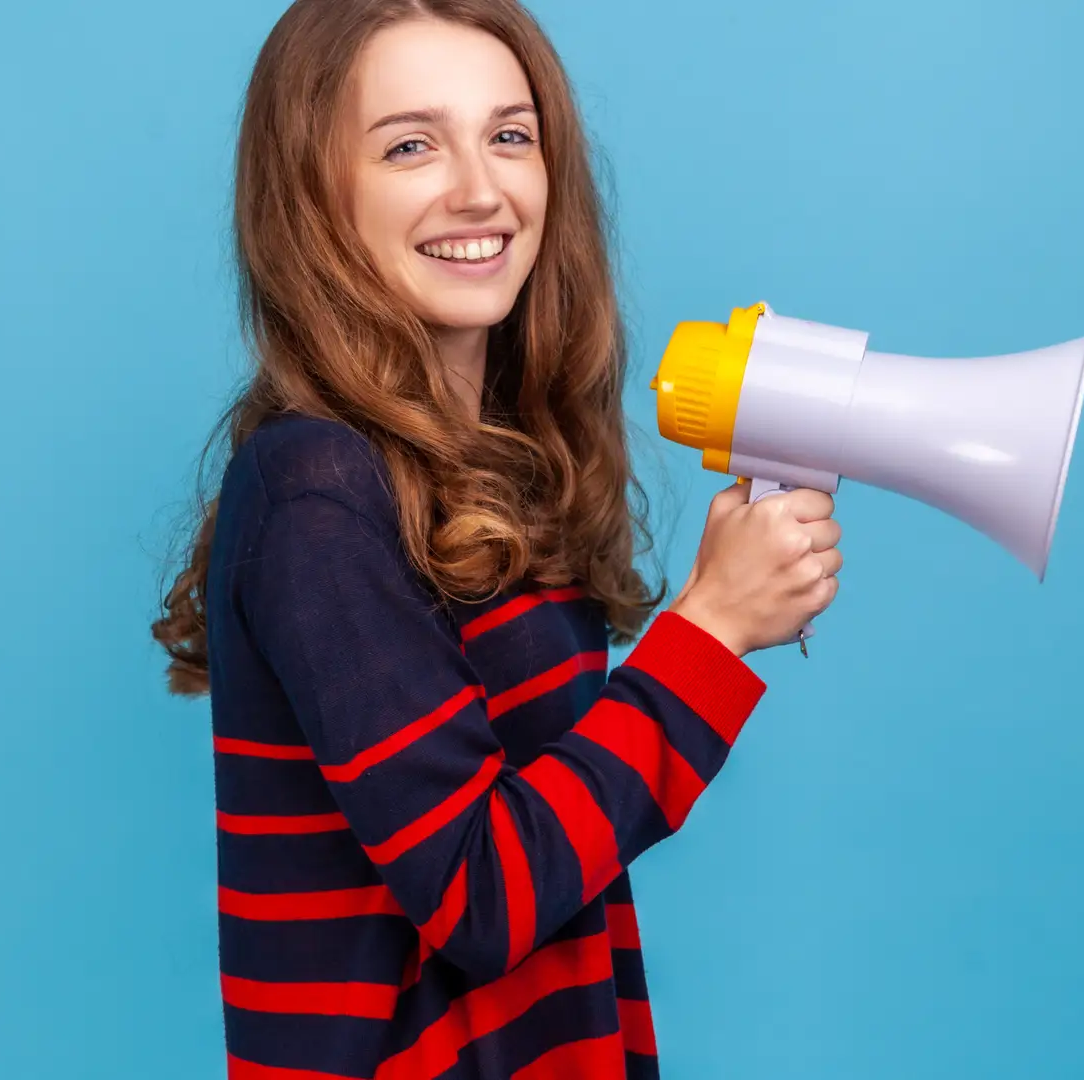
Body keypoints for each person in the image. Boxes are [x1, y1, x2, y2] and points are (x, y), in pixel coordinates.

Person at [152, 1, 841, 1076]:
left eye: (510, 135)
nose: (481, 190)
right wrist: (711, 631)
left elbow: (558, 844)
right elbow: (483, 897)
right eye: (411, 145)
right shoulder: (316, 493)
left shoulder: (497, 462)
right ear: (312, 195)